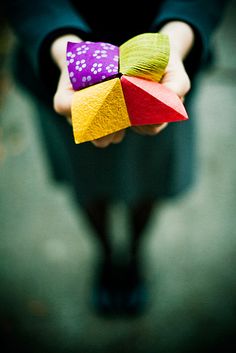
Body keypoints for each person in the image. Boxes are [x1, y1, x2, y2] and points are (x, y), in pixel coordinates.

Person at [3, 0, 228, 315]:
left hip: (161, 75)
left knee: (151, 180)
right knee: (86, 183)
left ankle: (135, 255)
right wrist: (59, 45)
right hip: (67, 73)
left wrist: (179, 33)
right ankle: (107, 255)